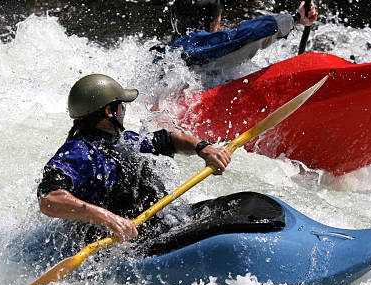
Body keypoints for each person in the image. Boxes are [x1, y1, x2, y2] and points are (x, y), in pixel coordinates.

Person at [37, 73, 231, 245]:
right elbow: (49, 199)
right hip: (123, 243)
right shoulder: (78, 152)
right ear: (109, 112)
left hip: (159, 223)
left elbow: (170, 140)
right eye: (122, 106)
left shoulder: (126, 140)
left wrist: (203, 148)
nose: (124, 110)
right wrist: (108, 219)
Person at [164, 0, 318, 66]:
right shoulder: (198, 44)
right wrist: (295, 18)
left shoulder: (171, 50)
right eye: (217, 21)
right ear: (203, 25)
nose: (220, 26)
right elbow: (246, 35)